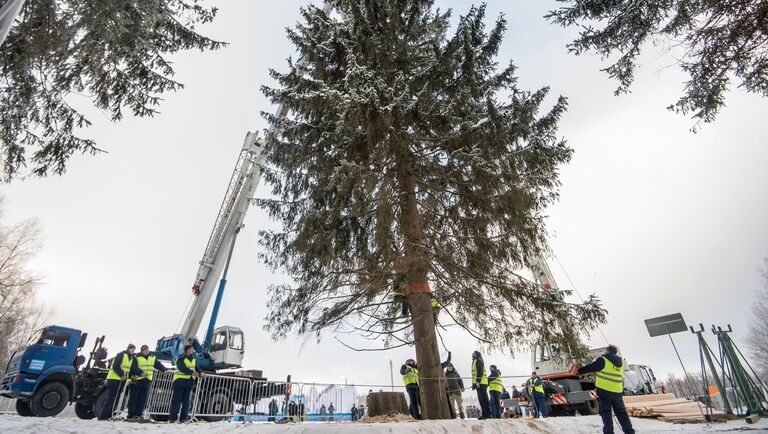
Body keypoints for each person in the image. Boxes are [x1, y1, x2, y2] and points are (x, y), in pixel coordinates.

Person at [578, 345, 636, 434]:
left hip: (605, 391)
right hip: (617, 391)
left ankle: (609, 432)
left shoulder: (603, 360)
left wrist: (579, 371)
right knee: (622, 413)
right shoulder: (620, 362)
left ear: (607, 351)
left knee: (606, 413)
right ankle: (629, 431)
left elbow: (592, 367)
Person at [99, 344, 141, 420]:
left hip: (122, 381)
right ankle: (103, 416)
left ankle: (109, 415)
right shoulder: (121, 355)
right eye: (132, 349)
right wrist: (121, 375)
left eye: (134, 349)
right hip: (113, 379)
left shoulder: (131, 358)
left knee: (116, 398)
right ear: (128, 349)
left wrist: (133, 376)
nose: (133, 350)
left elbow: (129, 369)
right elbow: (116, 366)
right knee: (110, 398)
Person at [126, 344, 168, 420]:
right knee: (134, 398)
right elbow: (133, 367)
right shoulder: (136, 357)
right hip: (137, 380)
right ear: (142, 351)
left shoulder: (152, 358)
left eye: (147, 349)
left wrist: (165, 370)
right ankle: (131, 415)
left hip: (147, 381)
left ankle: (139, 414)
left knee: (143, 399)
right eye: (145, 350)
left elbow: (158, 364)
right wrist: (140, 372)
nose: (146, 351)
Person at [169, 344, 203, 423]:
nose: (193, 351)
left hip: (189, 383)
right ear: (187, 350)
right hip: (179, 382)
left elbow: (197, 367)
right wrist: (192, 372)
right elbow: (181, 367)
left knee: (186, 402)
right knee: (176, 401)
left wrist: (201, 372)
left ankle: (183, 418)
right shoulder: (181, 358)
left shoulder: (193, 359)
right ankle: (172, 418)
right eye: (191, 349)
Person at [471, 351, 491, 419]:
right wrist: (474, 384)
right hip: (478, 383)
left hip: (481, 383)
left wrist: (477, 381)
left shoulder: (478, 360)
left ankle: (488, 415)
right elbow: (474, 374)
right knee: (481, 400)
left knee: (484, 400)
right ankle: (484, 414)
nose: (472, 354)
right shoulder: (475, 361)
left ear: (476, 354)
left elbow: (480, 371)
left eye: (473, 353)